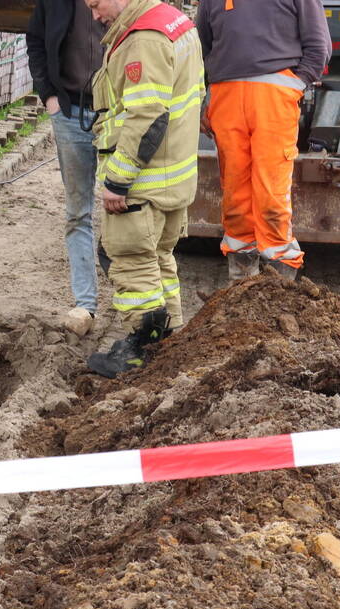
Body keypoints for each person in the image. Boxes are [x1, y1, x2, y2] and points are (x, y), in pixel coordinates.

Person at [84, 0, 205, 378]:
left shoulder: (144, 40)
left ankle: (140, 353)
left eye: (95, 3)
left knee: (132, 262)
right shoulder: (174, 22)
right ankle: (171, 349)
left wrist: (117, 180)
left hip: (142, 183)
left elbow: (146, 117)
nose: (94, 15)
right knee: (160, 261)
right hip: (173, 176)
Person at [196, 0, 331, 280]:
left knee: (271, 191)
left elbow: (319, 46)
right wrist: (206, 96)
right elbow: (202, 46)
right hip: (226, 97)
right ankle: (241, 283)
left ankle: (278, 284)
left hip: (273, 98)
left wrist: (294, 85)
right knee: (234, 191)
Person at [27, 0, 107, 336]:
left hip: (117, 114)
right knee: (78, 212)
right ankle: (85, 303)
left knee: (128, 204)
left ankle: (136, 299)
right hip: (70, 112)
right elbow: (35, 40)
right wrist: (48, 95)